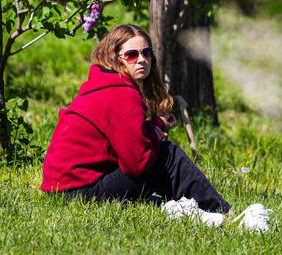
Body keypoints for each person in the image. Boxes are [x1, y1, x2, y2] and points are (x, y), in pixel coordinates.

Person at [40, 23, 270, 231]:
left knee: (160, 152)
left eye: (146, 53)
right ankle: (223, 214)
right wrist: (156, 135)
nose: (141, 60)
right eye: (131, 55)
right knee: (167, 155)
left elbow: (126, 139)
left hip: (64, 190)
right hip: (81, 193)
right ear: (115, 57)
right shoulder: (122, 95)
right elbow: (137, 163)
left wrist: (155, 126)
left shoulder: (104, 83)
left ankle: (189, 208)